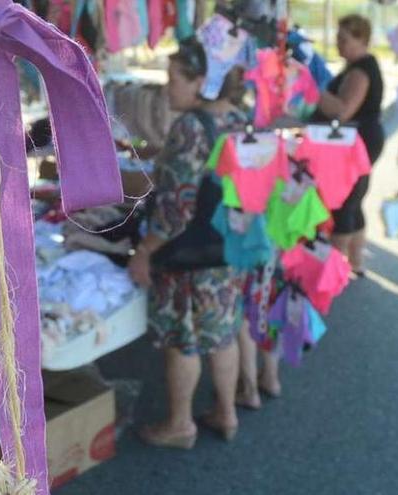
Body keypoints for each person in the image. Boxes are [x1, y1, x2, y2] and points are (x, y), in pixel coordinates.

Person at [128, 39, 247, 448]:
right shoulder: (238, 118)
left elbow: (176, 210)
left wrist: (144, 252)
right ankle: (226, 413)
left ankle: (180, 425)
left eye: (175, 78)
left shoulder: (191, 127)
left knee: (184, 340)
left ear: (202, 81)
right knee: (222, 333)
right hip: (228, 248)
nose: (167, 88)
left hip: (187, 257)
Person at [315, 14, 385, 276]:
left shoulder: (360, 71)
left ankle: (335, 267)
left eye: (344, 39)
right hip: (360, 141)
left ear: (361, 40)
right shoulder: (359, 66)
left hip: (357, 142)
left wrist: (313, 90)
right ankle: (355, 262)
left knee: (345, 201)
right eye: (338, 38)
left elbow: (343, 111)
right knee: (355, 198)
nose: (338, 44)